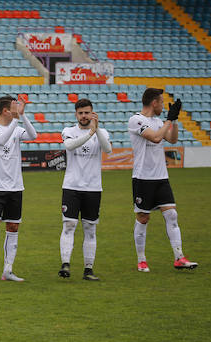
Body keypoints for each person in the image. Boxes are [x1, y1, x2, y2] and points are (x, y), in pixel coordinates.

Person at [128, 88, 197, 272]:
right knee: (143, 218)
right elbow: (157, 138)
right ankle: (141, 260)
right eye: (161, 101)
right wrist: (168, 119)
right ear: (154, 103)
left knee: (172, 215)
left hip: (161, 177)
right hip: (143, 178)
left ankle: (179, 257)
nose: (163, 104)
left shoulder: (159, 121)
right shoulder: (136, 120)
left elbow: (172, 139)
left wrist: (173, 120)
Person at [0, 95, 36, 282]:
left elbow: (33, 135)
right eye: (14, 107)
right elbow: (2, 140)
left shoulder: (17, 128)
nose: (16, 110)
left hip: (15, 186)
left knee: (13, 226)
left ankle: (8, 270)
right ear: (5, 110)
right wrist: (16, 119)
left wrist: (23, 116)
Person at [58, 98, 112, 281]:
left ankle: (88, 269)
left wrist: (97, 130)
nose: (83, 116)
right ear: (76, 114)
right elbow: (70, 146)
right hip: (71, 186)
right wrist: (90, 133)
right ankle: (65, 263)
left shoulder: (101, 132)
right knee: (69, 225)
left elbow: (108, 149)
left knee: (90, 228)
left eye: (87, 112)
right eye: (80, 113)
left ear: (92, 113)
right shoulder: (68, 131)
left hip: (93, 188)